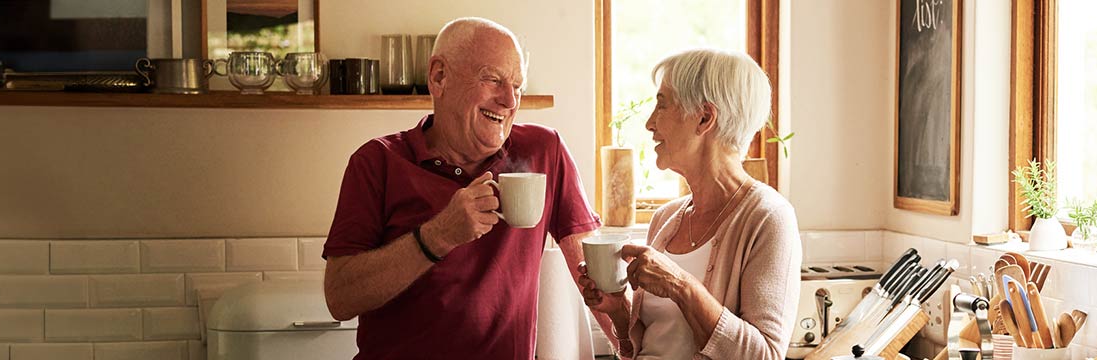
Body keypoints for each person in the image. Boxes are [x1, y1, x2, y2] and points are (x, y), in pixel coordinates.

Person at [321, 17, 601, 359]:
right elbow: (339, 297)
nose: (510, 101)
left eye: (518, 86)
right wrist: (437, 236)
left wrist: (630, 344)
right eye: (493, 79)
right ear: (439, 77)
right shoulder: (376, 162)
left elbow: (595, 275)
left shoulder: (544, 150)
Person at [576, 48, 802, 359]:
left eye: (662, 105)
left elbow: (764, 354)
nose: (649, 124)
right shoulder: (666, 218)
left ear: (705, 118)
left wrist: (682, 286)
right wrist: (617, 308)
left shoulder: (768, 218)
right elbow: (651, 343)